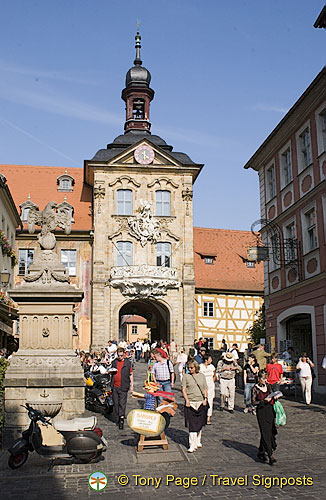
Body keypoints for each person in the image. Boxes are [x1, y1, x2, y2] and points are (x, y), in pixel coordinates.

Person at [252, 370, 278, 466]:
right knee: (265, 432)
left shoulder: (268, 386)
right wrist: (263, 401)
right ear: (259, 379)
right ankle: (270, 455)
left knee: (269, 431)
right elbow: (253, 402)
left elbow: (272, 395)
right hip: (261, 412)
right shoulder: (255, 388)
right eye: (263, 379)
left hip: (270, 411)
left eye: (266, 378)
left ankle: (261, 451)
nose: (265, 380)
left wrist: (275, 397)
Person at [181, 360, 208, 453]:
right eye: (189, 368)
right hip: (191, 402)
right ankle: (192, 444)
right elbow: (183, 389)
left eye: (191, 368)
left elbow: (205, 388)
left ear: (196, 367)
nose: (190, 369)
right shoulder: (186, 376)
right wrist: (187, 400)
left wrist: (205, 399)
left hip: (200, 402)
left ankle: (198, 441)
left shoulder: (202, 376)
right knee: (192, 425)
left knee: (200, 423)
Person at [111, 347, 134, 429]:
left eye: (121, 355)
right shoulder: (114, 362)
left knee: (122, 403)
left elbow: (131, 374)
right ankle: (118, 415)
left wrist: (132, 385)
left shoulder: (128, 363)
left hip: (124, 385)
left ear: (124, 354)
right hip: (115, 385)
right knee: (116, 403)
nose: (120, 357)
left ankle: (121, 419)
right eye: (118, 355)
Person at [200, 354, 217, 424]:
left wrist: (212, 382)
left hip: (210, 386)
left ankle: (208, 417)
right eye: (210, 359)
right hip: (202, 386)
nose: (211, 360)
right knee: (202, 400)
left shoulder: (212, 367)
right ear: (206, 360)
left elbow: (214, 375)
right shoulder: (200, 367)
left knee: (210, 401)